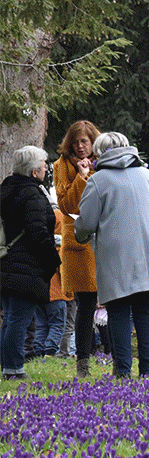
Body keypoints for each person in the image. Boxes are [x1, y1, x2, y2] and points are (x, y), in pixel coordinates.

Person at [74, 133, 149, 378]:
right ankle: (147, 371)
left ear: (100, 153)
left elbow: (85, 223)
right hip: (148, 255)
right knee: (144, 312)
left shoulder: (99, 181)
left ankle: (123, 372)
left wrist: (82, 235)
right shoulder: (147, 176)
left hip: (115, 257)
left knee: (118, 313)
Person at [1, 146, 60, 378]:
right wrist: (52, 258)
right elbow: (37, 231)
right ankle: (14, 368)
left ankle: (7, 366)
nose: (46, 170)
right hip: (26, 265)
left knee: (9, 318)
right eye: (44, 167)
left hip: (5, 261)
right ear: (35, 171)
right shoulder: (32, 193)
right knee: (19, 319)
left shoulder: (6, 189)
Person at [53, 119, 101, 378]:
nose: (81, 147)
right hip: (79, 244)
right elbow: (68, 205)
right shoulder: (61, 167)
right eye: (76, 142)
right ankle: (82, 362)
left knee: (115, 303)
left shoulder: (103, 162)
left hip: (105, 241)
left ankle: (116, 358)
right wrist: (81, 177)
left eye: (85, 141)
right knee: (85, 306)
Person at [31, 210, 72, 358]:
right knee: (57, 324)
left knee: (41, 325)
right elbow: (63, 271)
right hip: (56, 293)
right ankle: (49, 352)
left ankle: (38, 352)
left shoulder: (38, 247)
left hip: (40, 293)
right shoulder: (60, 249)